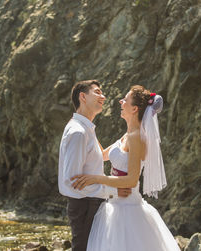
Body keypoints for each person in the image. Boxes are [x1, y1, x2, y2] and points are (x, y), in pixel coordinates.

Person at [71, 85, 181, 251]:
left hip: (128, 210)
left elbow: (131, 180)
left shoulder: (137, 137)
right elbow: (102, 154)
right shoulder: (127, 135)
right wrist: (88, 125)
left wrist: (95, 178)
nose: (121, 102)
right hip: (113, 204)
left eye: (125, 100)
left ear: (134, 108)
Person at [58, 80, 132, 251]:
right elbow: (72, 181)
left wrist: (129, 134)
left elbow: (103, 156)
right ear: (82, 97)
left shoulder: (87, 129)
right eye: (97, 92)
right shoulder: (78, 132)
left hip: (90, 203)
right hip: (84, 205)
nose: (103, 97)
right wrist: (113, 191)